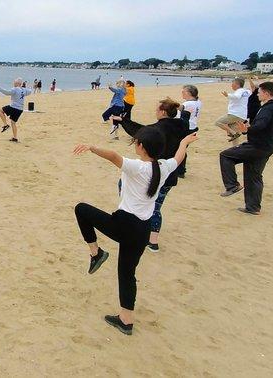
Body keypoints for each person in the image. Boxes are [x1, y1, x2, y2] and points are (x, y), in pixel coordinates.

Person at [73, 128, 198, 335]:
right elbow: (178, 156)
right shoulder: (163, 166)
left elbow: (113, 156)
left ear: (142, 147)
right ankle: (126, 320)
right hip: (143, 230)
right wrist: (184, 141)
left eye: (137, 142)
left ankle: (96, 253)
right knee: (127, 273)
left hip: (124, 225)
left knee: (81, 209)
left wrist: (91, 147)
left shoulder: (138, 167)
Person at [113, 98, 191, 252]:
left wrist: (122, 121)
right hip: (170, 172)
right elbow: (187, 113)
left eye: (157, 109)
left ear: (162, 112)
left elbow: (140, 132)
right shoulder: (182, 124)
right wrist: (178, 106)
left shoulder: (158, 129)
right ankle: (152, 242)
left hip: (155, 172)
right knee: (156, 206)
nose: (155, 111)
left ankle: (139, 228)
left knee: (147, 204)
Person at [219, 82, 273, 215]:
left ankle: (232, 185)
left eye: (259, 92)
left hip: (257, 146)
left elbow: (261, 125)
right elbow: (262, 126)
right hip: (266, 147)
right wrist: (247, 130)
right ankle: (253, 208)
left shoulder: (269, 109)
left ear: (267, 93)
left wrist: (248, 129)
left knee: (226, 155)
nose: (258, 94)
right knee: (253, 176)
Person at [215, 78, 251, 145]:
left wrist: (227, 95)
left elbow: (236, 97)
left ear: (237, 85)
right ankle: (235, 148)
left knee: (218, 122)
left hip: (235, 114)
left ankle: (234, 133)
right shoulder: (246, 91)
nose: (231, 85)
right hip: (242, 115)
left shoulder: (239, 91)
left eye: (232, 83)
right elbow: (251, 90)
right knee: (234, 130)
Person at [177, 85, 202, 178]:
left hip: (187, 129)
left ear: (189, 93)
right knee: (181, 148)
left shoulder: (188, 104)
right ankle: (180, 170)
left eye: (183, 92)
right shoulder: (198, 102)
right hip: (193, 128)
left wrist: (171, 103)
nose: (182, 93)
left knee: (180, 148)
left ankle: (180, 171)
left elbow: (180, 108)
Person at [0, 78, 34, 142]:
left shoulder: (15, 89)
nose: (13, 83)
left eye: (14, 82)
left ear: (17, 83)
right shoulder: (24, 90)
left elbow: (6, 93)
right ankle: (15, 138)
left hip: (13, 107)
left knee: (0, 111)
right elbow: (30, 91)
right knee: (13, 122)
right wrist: (27, 86)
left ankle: (5, 125)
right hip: (20, 109)